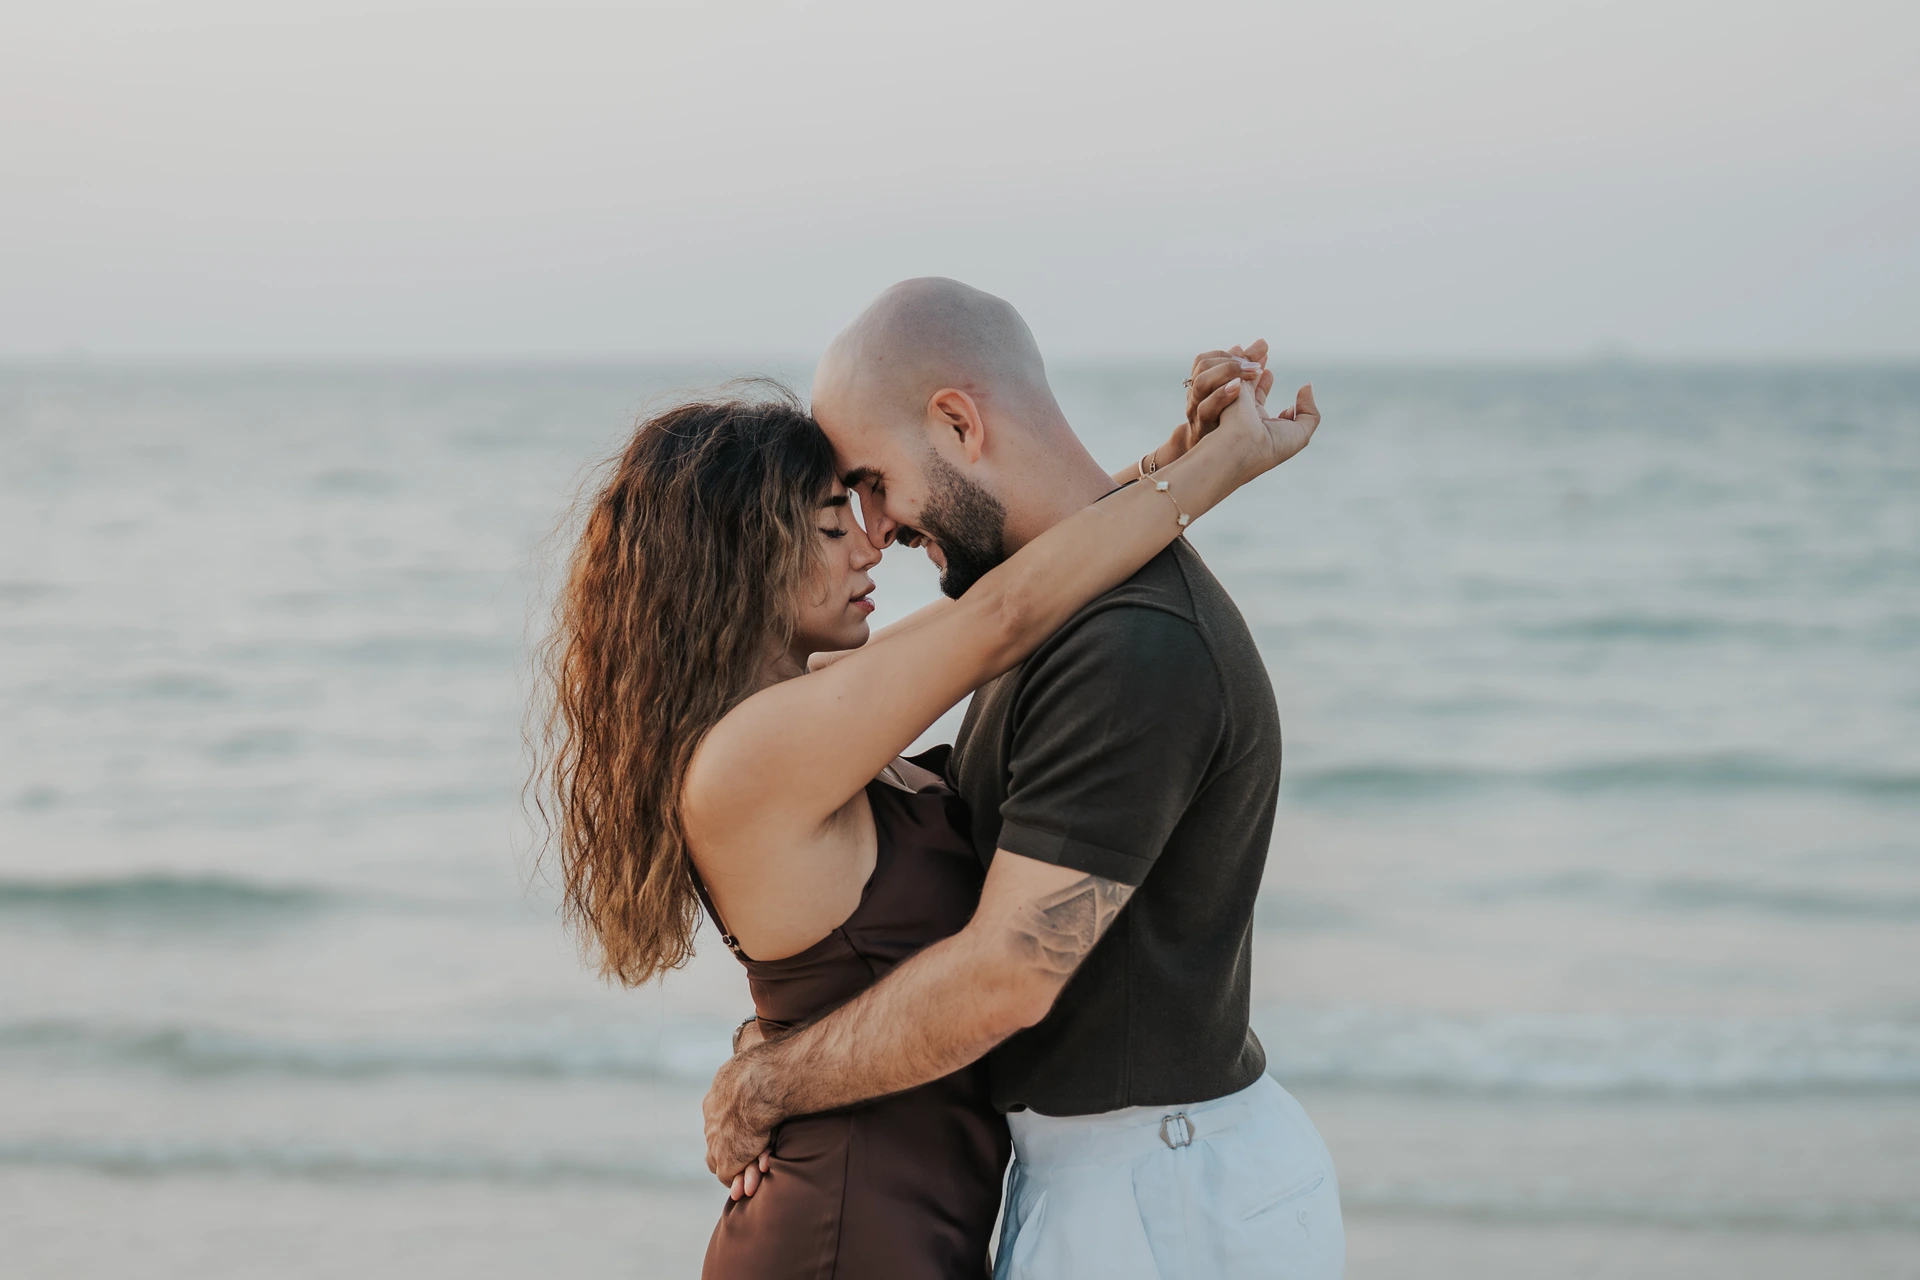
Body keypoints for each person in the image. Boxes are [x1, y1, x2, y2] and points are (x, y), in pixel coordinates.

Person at [534, 314, 1312, 1278]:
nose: (872, 544)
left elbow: (1026, 587)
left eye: (865, 502)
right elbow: (1002, 615)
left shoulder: (818, 725)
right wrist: (1220, 469)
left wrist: (1174, 458)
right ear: (741, 565)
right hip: (843, 1236)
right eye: (833, 522)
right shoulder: (747, 758)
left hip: (921, 1222)